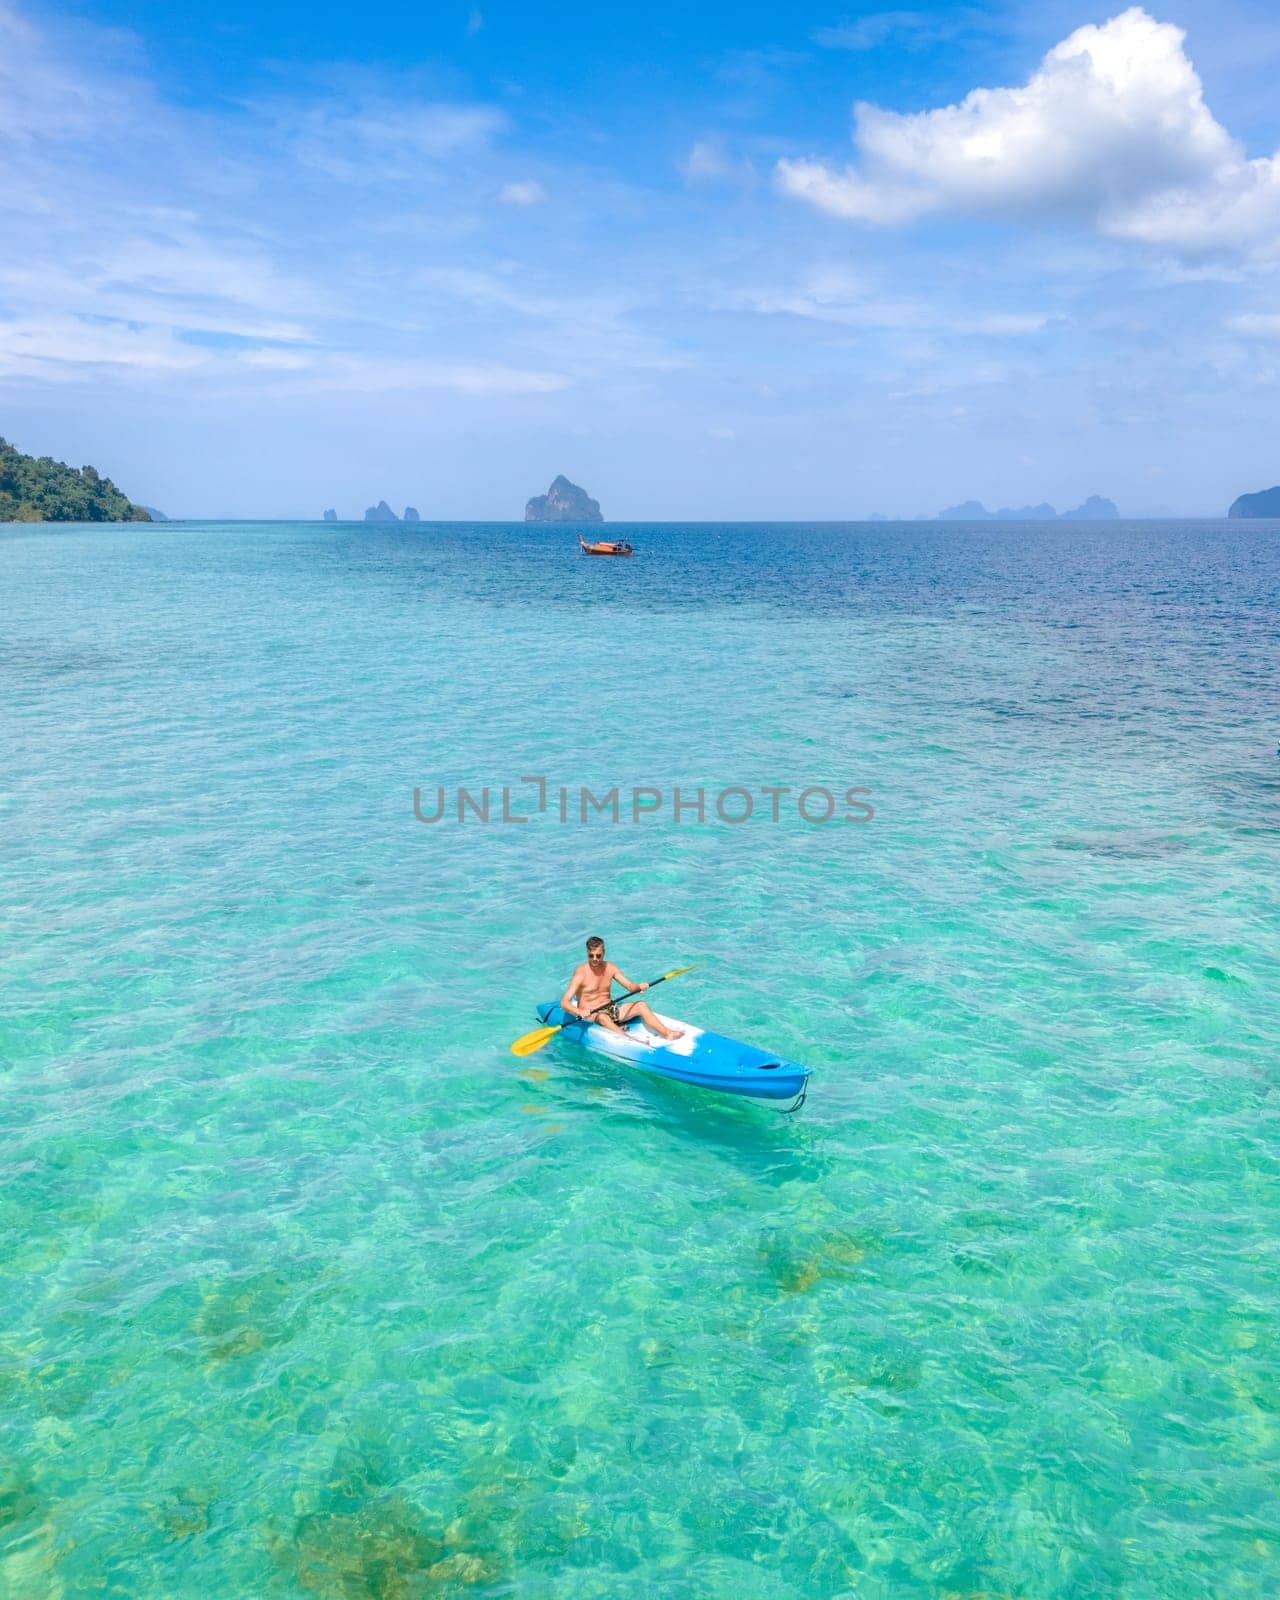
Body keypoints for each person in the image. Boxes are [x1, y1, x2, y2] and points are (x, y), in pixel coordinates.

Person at [560, 937, 683, 1040]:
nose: (595, 959)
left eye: (598, 956)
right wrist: (579, 1012)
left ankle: (667, 1033)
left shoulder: (610, 968)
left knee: (641, 1005)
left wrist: (639, 987)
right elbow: (564, 1002)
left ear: (604, 953)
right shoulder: (581, 972)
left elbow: (630, 986)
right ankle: (630, 1040)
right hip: (592, 1014)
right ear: (587, 953)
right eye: (591, 956)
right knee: (603, 1017)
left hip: (611, 1009)